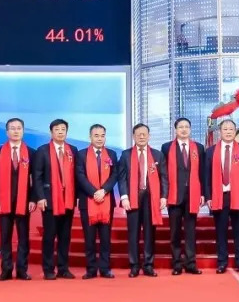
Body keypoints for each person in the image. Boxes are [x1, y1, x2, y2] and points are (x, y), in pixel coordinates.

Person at [117, 123, 167, 278]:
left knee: (149, 233)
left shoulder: (157, 155)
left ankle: (148, 265)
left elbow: (164, 178)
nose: (141, 136)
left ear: (149, 136)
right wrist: (124, 197)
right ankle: (134, 265)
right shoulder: (125, 155)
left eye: (144, 134)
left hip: (151, 199)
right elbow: (122, 178)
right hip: (133, 197)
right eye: (138, 134)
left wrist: (163, 196)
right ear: (133, 136)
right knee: (133, 233)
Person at [203, 119, 239, 274]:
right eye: (225, 129)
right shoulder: (210, 151)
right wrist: (208, 196)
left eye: (231, 129)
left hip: (238, 195)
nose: (228, 132)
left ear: (235, 131)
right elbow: (206, 176)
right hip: (219, 196)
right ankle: (222, 262)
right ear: (220, 132)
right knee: (221, 231)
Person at [33, 118, 79, 280]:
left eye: (63, 129)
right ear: (51, 132)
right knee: (49, 236)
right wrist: (40, 197)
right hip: (49, 199)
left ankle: (63, 268)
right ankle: (48, 269)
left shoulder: (73, 150)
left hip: (68, 199)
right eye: (57, 129)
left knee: (65, 236)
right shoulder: (42, 151)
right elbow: (37, 176)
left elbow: (76, 176)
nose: (60, 132)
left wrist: (76, 197)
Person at [0, 118, 35, 281]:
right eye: (12, 128)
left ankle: (22, 270)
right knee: (5, 238)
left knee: (23, 238)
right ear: (7, 132)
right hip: (4, 201)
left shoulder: (31, 152)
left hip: (24, 201)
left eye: (19, 128)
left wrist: (33, 199)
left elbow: (36, 179)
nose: (16, 131)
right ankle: (6, 270)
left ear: (23, 131)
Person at [161, 117, 206, 275]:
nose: (184, 129)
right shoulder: (167, 147)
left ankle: (190, 263)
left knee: (190, 231)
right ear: (175, 130)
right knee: (175, 232)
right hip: (174, 195)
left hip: (192, 194)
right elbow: (163, 173)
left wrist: (203, 193)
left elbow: (202, 172)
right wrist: (164, 194)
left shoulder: (198, 148)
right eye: (181, 127)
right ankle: (177, 264)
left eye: (187, 126)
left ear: (190, 129)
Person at [76, 123, 118, 279]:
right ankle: (91, 269)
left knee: (106, 238)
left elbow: (115, 175)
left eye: (102, 136)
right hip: (88, 201)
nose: (100, 139)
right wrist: (94, 192)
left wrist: (104, 190)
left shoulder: (112, 154)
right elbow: (80, 176)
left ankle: (105, 268)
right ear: (90, 137)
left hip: (107, 202)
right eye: (96, 135)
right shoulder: (81, 154)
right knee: (90, 238)